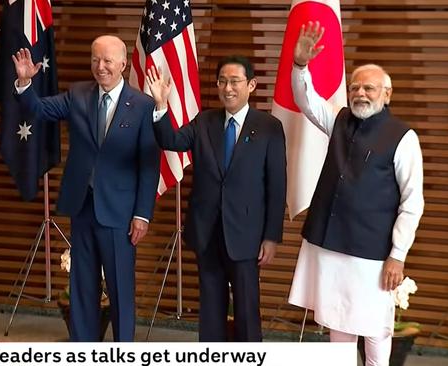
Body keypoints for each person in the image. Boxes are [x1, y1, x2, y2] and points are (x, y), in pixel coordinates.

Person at [287, 22, 424, 365]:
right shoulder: (339, 119)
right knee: (338, 324)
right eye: (355, 87)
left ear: (387, 94)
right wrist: (300, 65)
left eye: (370, 89)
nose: (360, 93)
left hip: (374, 254)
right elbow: (306, 101)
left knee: (375, 329)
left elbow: (412, 201)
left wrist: (398, 254)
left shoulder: (403, 136)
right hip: (332, 244)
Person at [11, 35, 160, 341]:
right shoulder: (78, 94)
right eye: (95, 59)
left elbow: (149, 165)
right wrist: (25, 83)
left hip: (120, 214)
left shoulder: (143, 105)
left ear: (123, 64)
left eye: (107, 60)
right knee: (82, 288)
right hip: (82, 207)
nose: (100, 66)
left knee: (120, 291)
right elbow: (38, 110)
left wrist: (142, 214)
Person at [146, 56, 286, 341]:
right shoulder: (205, 120)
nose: (227, 88)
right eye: (222, 81)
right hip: (207, 232)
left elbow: (277, 185)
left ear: (251, 85)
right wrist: (161, 105)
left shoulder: (269, 126)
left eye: (235, 81)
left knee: (247, 311)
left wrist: (271, 236)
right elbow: (170, 141)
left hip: (247, 235)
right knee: (210, 310)